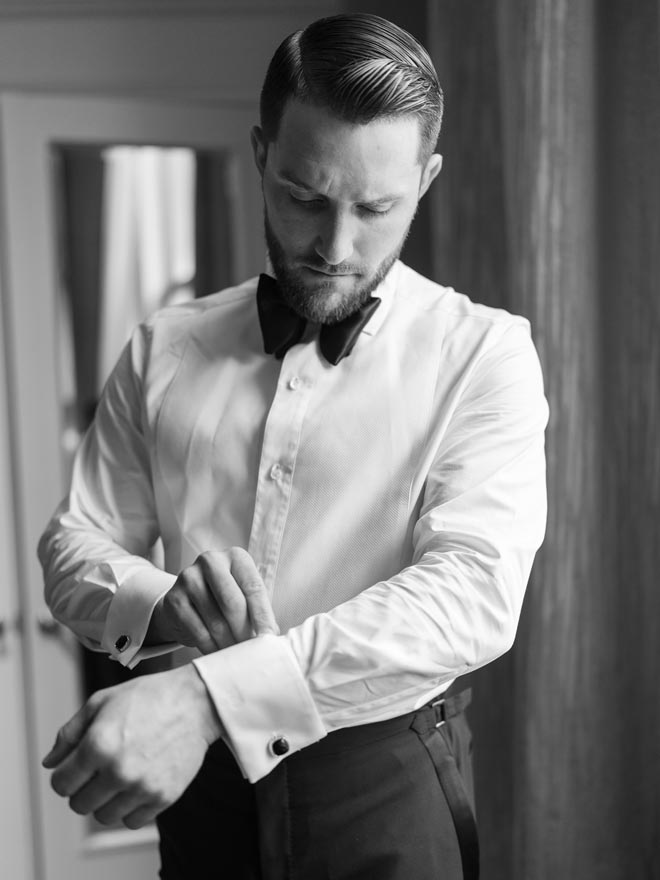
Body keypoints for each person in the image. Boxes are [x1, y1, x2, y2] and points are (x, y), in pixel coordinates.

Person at [38, 13, 548, 880]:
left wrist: (208, 694)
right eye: (305, 197)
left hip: (383, 782)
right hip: (202, 797)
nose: (336, 248)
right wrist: (167, 608)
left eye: (377, 207)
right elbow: (72, 545)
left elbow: (473, 594)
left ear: (425, 180)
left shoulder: (484, 353)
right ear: (260, 154)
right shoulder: (164, 345)